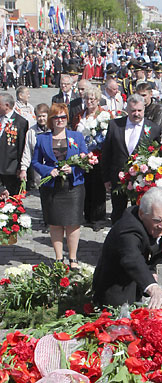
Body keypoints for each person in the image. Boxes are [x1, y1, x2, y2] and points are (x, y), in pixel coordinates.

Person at [92, 184, 162, 309]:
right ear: (142, 214)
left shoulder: (155, 221)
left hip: (135, 285)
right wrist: (154, 288)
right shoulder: (127, 229)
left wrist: (151, 271)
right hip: (114, 291)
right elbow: (132, 258)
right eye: (157, 220)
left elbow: (152, 249)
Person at [31, 100, 90, 265]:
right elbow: (35, 162)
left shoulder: (76, 136)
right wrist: (47, 170)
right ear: (51, 119)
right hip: (52, 188)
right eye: (56, 117)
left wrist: (73, 170)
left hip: (73, 187)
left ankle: (73, 257)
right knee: (55, 224)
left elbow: (86, 159)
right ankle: (59, 258)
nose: (60, 120)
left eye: (63, 117)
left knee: (73, 223)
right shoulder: (42, 139)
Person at [98, 88, 162, 221]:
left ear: (144, 109)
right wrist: (106, 178)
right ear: (127, 109)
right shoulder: (115, 125)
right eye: (133, 110)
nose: (136, 114)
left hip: (142, 178)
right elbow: (107, 153)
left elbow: (158, 155)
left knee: (141, 213)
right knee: (118, 213)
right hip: (117, 177)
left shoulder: (153, 128)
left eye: (139, 111)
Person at [0, 93, 28, 195]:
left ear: (6, 105)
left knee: (12, 197)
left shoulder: (20, 122)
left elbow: (22, 146)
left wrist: (20, 167)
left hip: (11, 167)